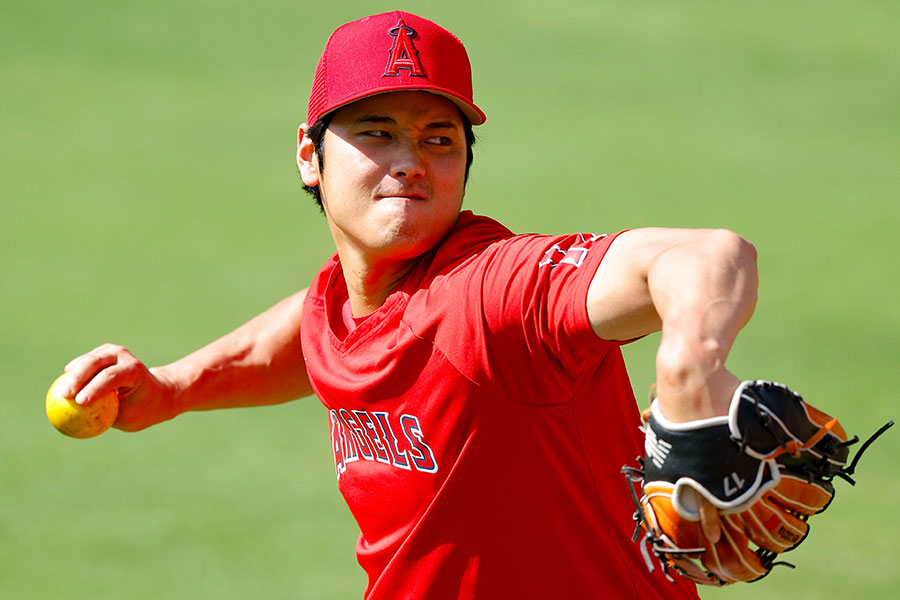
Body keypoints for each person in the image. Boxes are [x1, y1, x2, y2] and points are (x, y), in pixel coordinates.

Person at [61, 11, 758, 599]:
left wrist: (689, 369)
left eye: (439, 138)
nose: (410, 161)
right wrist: (174, 388)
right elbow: (311, 332)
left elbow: (704, 255)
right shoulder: (342, 296)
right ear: (309, 156)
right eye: (376, 132)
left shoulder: (496, 293)